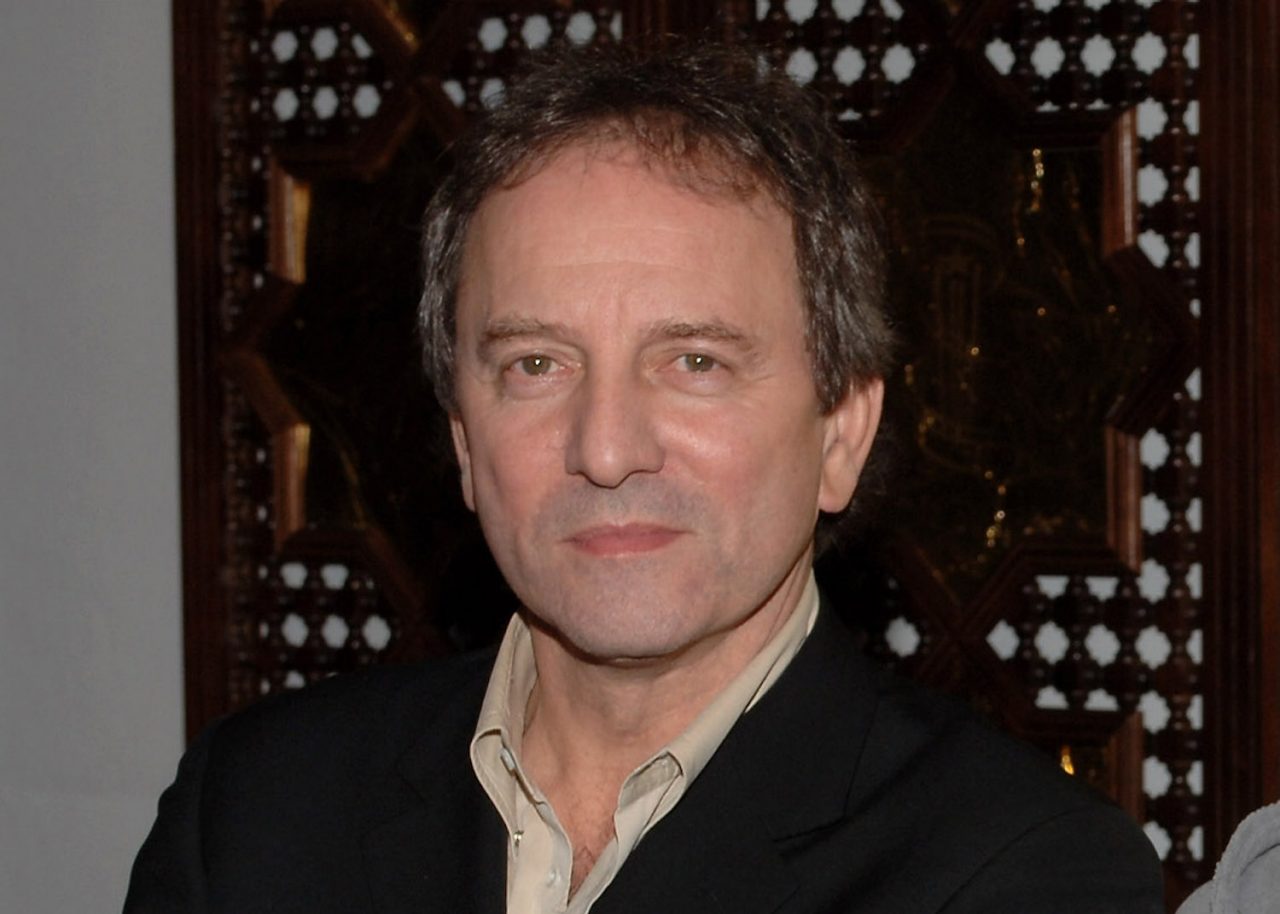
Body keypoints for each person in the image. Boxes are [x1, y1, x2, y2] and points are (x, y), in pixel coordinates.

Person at [125, 41, 1164, 913]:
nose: (607, 446)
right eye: (535, 364)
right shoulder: (254, 814)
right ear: (460, 438)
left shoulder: (1023, 870)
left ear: (840, 428)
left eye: (694, 362)